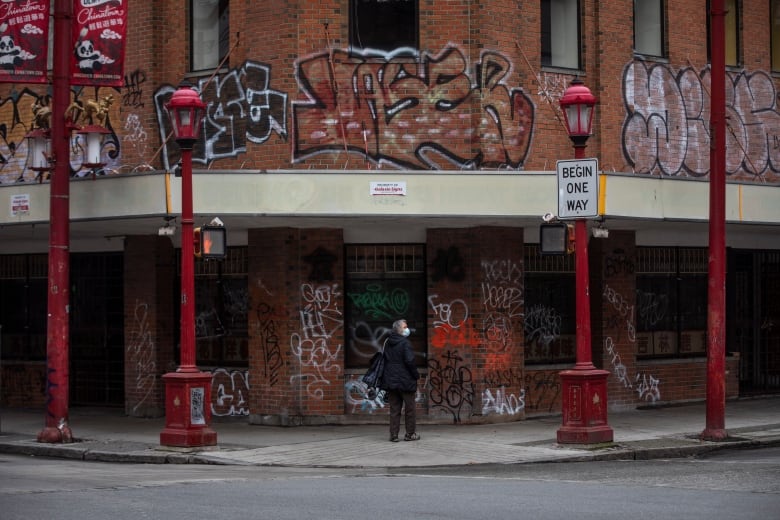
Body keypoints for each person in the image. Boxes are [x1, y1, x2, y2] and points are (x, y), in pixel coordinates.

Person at [382, 319, 420, 442]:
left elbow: (385, 359)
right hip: (405, 380)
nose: (407, 328)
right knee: (410, 409)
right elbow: (409, 361)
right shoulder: (405, 343)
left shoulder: (387, 342)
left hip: (391, 380)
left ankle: (393, 435)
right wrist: (416, 375)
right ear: (399, 329)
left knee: (394, 409)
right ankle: (410, 434)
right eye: (405, 327)